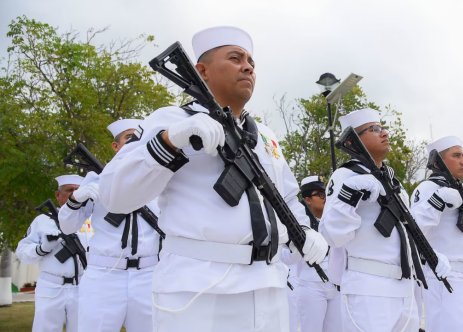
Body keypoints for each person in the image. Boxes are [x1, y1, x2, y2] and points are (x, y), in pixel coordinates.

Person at [98, 26, 328, 331]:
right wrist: (168, 142)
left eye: (251, 62)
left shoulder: (266, 137)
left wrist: (303, 230)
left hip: (268, 285)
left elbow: (285, 197)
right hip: (198, 287)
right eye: (235, 58)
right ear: (201, 71)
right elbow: (114, 195)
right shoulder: (169, 120)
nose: (248, 66)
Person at [319, 108, 450, 332]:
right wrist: (349, 195)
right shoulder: (346, 176)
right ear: (354, 141)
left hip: (405, 288)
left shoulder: (394, 183)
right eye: (375, 129)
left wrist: (429, 254)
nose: (385, 133)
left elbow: (408, 232)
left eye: (383, 128)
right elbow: (331, 235)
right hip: (369, 286)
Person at [58, 119, 162, 332]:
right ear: (115, 146)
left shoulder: (161, 180)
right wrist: (76, 199)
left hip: (149, 276)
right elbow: (67, 227)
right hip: (104, 275)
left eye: (142, 138)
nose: (136, 142)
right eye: (129, 137)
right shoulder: (96, 180)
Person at [411, 136, 463, 332]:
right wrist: (437, 201)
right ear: (439, 161)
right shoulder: (428, 188)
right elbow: (413, 228)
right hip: (449, 278)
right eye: (456, 155)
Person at [16, 175, 85, 332]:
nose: (74, 193)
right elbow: (22, 251)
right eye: (70, 190)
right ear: (57, 195)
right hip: (51, 286)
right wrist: (42, 248)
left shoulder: (90, 219)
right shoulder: (43, 220)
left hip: (82, 286)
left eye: (78, 190)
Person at [295, 176, 342, 332]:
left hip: (336, 287)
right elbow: (288, 257)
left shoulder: (334, 220)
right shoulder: (300, 225)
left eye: (326, 193)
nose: (325, 198)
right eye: (320, 194)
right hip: (312, 286)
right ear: (308, 199)